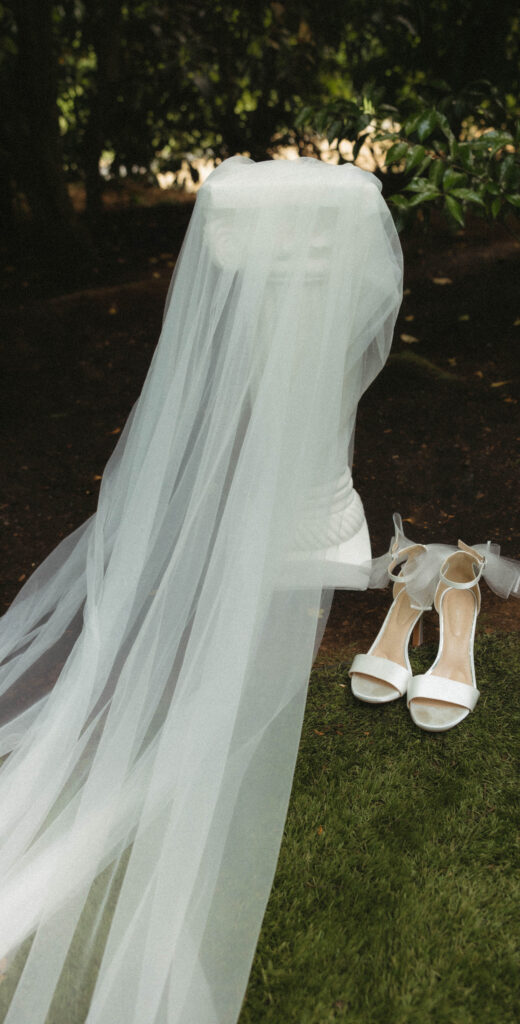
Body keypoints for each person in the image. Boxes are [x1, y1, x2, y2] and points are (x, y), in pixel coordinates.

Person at [0, 156, 403, 1023]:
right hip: (311, 507)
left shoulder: (249, 215)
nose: (303, 253)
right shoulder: (301, 217)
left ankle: (309, 510)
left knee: (311, 428)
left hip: (319, 500)